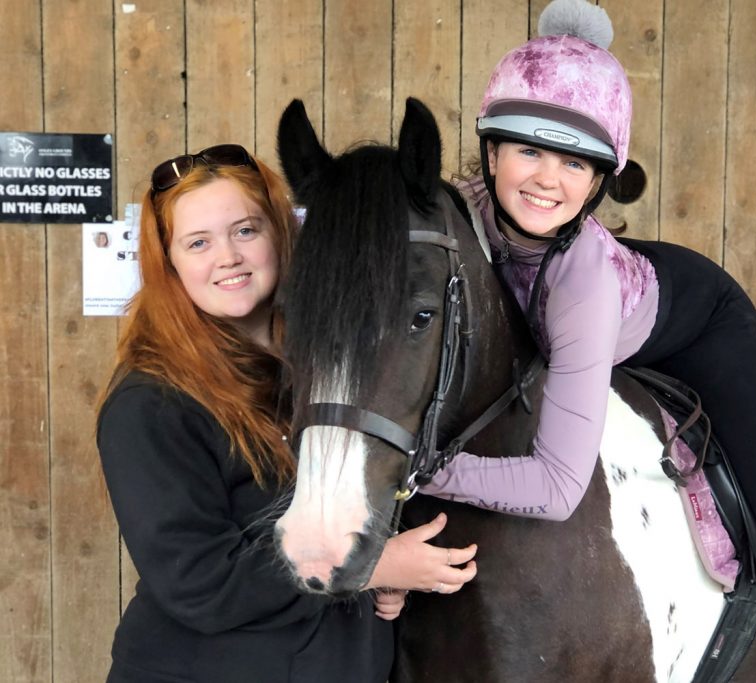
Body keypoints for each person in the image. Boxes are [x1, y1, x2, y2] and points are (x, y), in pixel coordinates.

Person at [419, 0, 756, 680]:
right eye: (529, 150)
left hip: (699, 322)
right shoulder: (462, 212)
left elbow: (558, 486)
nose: (546, 179)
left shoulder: (581, 286)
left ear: (601, 179)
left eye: (575, 164)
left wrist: (426, 469)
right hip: (626, 293)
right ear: (491, 150)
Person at [96, 143, 477, 683]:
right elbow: (201, 583)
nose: (227, 256)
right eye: (198, 242)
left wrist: (388, 561)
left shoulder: (328, 375)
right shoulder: (151, 402)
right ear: (171, 261)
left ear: (281, 231)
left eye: (246, 230)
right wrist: (372, 566)